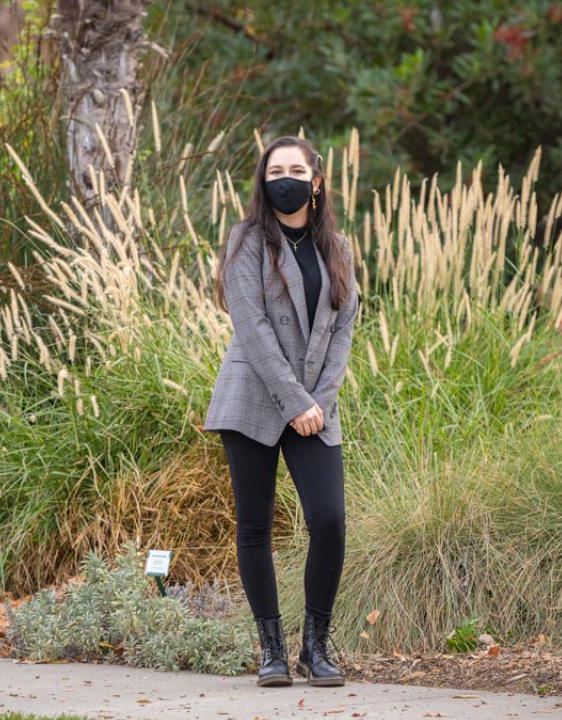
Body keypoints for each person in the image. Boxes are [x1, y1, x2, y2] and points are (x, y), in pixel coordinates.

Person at [203, 135, 360, 688]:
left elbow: (343, 327)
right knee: (255, 525)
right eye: (276, 170)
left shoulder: (337, 247)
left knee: (330, 520)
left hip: (317, 405)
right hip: (253, 397)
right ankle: (271, 649)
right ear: (262, 181)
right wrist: (295, 401)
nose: (285, 178)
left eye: (296, 170)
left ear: (316, 181)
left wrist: (318, 400)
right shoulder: (245, 240)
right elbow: (252, 325)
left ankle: (314, 648)